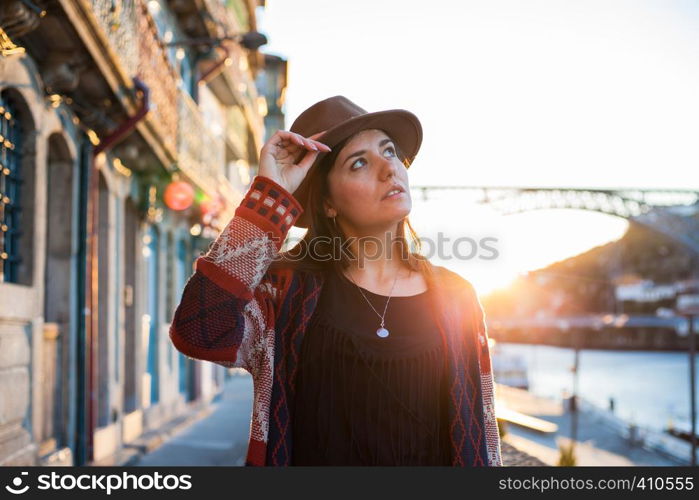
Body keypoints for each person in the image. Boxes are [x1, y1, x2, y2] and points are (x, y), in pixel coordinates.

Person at [169, 95, 502, 466]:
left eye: (389, 151)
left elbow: (481, 434)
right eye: (359, 163)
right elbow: (197, 331)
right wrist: (270, 193)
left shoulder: (457, 296)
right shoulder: (282, 292)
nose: (389, 168)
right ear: (328, 204)